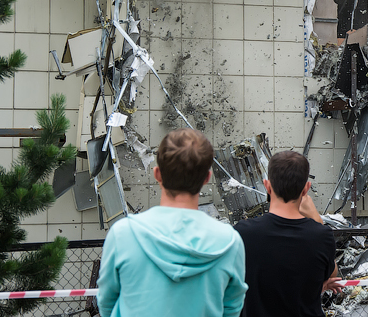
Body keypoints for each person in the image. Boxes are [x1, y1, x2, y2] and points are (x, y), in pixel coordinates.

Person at [97, 129, 248, 317]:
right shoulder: (230, 242)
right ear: (206, 179)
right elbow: (231, 309)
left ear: (157, 174)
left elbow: (106, 302)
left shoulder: (123, 234)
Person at [235, 150, 342, 317]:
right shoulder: (320, 236)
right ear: (306, 188)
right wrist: (315, 218)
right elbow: (331, 273)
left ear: (267, 186)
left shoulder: (243, 233)